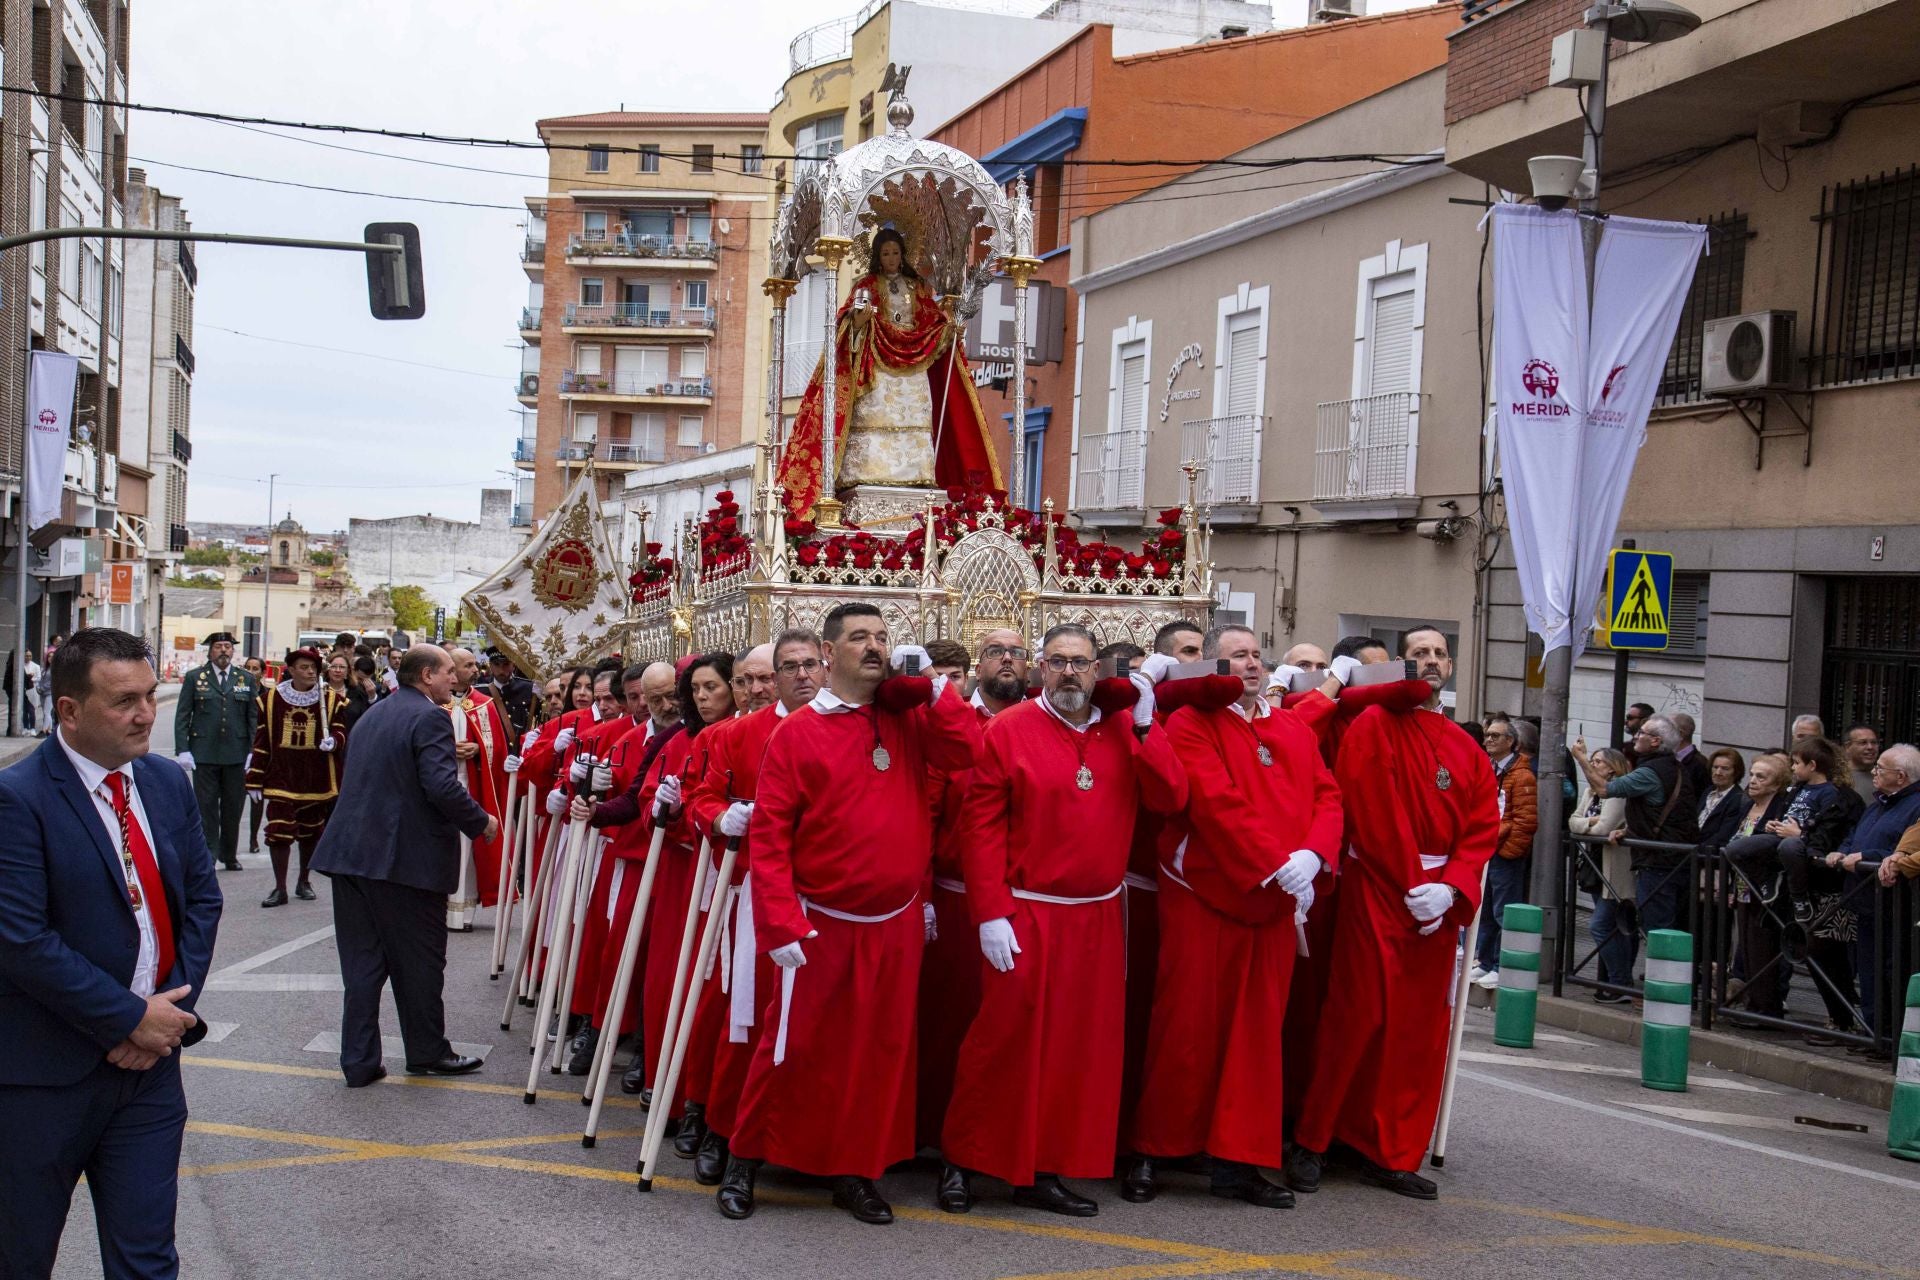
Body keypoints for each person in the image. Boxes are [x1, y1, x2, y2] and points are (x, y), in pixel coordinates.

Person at [719, 603, 980, 1225]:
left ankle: (854, 1170)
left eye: (883, 638)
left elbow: (971, 751)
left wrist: (936, 691)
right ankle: (744, 1159)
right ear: (829, 654)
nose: (875, 647)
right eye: (860, 637)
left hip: (892, 920)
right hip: (819, 921)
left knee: (877, 1055)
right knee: (792, 1049)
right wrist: (781, 920)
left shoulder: (911, 720)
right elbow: (773, 835)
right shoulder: (797, 732)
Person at [0, 628, 223, 1279]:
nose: (146, 714)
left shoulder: (163, 782)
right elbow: (19, 937)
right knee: (20, 1255)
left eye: (151, 696)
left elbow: (201, 903)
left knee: (148, 1261)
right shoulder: (18, 799)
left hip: (149, 1073)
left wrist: (167, 1018)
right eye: (125, 701)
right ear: (69, 710)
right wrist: (126, 1018)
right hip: (44, 1077)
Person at [940, 624, 1185, 1217]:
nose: (1069, 673)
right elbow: (981, 826)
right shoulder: (1008, 729)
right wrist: (991, 912)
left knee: (1075, 1051)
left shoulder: (1125, 728)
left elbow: (1171, 799)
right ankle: (964, 1160)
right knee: (1002, 1041)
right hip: (1025, 910)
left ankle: (1042, 1169)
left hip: (1096, 916)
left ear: (1098, 670)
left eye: (1080, 663)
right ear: (1038, 670)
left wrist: (1150, 728)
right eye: (1056, 662)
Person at [1122, 623, 1336, 1209]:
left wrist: (1313, 854)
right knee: (1185, 1026)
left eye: (1255, 656)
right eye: (1235, 657)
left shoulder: (1288, 724)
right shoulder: (1191, 723)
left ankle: (1238, 1161)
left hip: (1274, 896)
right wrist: (1274, 862)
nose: (1249, 665)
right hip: (1207, 891)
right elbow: (1216, 802)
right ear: (1211, 669)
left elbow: (1327, 794)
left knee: (1256, 1037)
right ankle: (1154, 1147)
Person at [1290, 625, 1497, 1202]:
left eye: (1438, 654)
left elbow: (1483, 825)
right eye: (1417, 654)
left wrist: (1452, 887)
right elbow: (1374, 810)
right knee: (1357, 1016)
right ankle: (1315, 1138)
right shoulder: (1374, 725)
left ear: (1450, 667)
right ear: (1398, 668)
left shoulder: (1466, 745)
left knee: (1416, 1031)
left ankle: (1392, 1148)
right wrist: (1414, 883)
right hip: (1382, 889)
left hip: (1438, 902)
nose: (1430, 662)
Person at [310, 644, 498, 1087]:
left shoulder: (376, 712)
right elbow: (440, 785)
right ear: (427, 674)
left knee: (362, 966)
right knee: (421, 962)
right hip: (403, 862)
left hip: (352, 857)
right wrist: (481, 821)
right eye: (449, 671)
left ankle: (359, 1061)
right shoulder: (430, 716)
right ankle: (428, 1051)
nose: (455, 679)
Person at [684, 638, 818, 1184]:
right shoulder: (734, 735)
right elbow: (704, 799)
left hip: (823, 903)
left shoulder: (843, 724)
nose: (761, 688)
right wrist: (722, 819)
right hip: (752, 898)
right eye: (751, 680)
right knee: (744, 1023)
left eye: (771, 676)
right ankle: (721, 1124)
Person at [774, 227, 1002, 521]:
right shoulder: (865, 285)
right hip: (878, 365)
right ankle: (869, 474)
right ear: (877, 257)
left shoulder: (917, 287)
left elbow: (931, 320)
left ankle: (917, 475)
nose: (892, 258)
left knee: (916, 414)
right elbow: (846, 325)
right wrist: (859, 321)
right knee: (876, 413)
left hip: (915, 365)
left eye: (896, 252)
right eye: (886, 253)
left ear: (903, 255)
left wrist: (947, 330)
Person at [920, 628, 1026, 1155]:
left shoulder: (1043, 722)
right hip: (958, 895)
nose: (1006, 660)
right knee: (952, 1019)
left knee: (1012, 1030)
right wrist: (923, 896)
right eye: (994, 652)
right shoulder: (954, 724)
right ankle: (938, 1135)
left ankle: (1000, 1136)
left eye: (1016, 652)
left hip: (1028, 901)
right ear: (976, 666)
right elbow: (928, 814)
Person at [1572, 714, 1699, 941]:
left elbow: (1604, 789)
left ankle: (1662, 976)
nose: (1636, 737)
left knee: (1658, 929)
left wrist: (1581, 758)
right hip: (1672, 857)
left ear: (1656, 741)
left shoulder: (1651, 772)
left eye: (1642, 733)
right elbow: (1660, 812)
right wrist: (1630, 831)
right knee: (1662, 925)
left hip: (1659, 860)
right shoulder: (1674, 767)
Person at [1827, 743, 1920, 1042]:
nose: (1874, 772)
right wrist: (1842, 853)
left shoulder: (1915, 806)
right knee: (1869, 971)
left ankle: (1891, 1038)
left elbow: (1902, 850)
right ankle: (1873, 1032)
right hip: (1866, 899)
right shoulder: (1878, 802)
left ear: (1902, 776)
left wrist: (1868, 855)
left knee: (1893, 970)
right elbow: (1855, 835)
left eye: (1881, 768)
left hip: (1897, 903)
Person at [245, 649, 350, 908]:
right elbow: (261, 742)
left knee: (311, 833)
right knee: (279, 831)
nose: (310, 672)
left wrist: (334, 741)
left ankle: (304, 880)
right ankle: (279, 887)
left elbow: (340, 730)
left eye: (313, 667)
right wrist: (255, 778)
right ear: (291, 670)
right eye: (304, 667)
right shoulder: (271, 700)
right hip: (281, 777)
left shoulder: (330, 699)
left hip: (315, 778)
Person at [172, 631, 261, 873]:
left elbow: (253, 717)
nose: (223, 650)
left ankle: (229, 854)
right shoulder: (195, 677)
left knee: (233, 806)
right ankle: (209, 853)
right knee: (206, 807)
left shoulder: (245, 679)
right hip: (204, 753)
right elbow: (183, 715)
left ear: (233, 651)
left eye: (227, 647)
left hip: (236, 753)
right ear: (210, 651)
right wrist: (183, 750)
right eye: (219, 646)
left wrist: (254, 750)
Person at [444, 647, 513, 930]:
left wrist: (478, 748)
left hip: (472, 787)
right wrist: (448, 749)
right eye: (469, 665)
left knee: (467, 848)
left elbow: (499, 747)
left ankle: (463, 912)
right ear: (453, 669)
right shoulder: (435, 702)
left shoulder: (484, 703)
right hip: (443, 787)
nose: (476, 670)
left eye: (475, 664)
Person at [1472, 715, 1538, 991]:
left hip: (1503, 852)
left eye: (1495, 736)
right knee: (1485, 908)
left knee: (1503, 910)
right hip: (1489, 848)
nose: (1488, 739)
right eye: (1488, 735)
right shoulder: (1490, 768)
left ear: (1510, 742)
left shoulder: (1521, 775)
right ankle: (1484, 960)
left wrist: (1508, 849)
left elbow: (1526, 820)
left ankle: (1500, 965)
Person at [1571, 747, 1636, 999]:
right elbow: (1573, 821)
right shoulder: (1590, 791)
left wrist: (1592, 825)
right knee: (1612, 926)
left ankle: (1620, 983)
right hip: (1593, 865)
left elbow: (1605, 828)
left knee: (1602, 925)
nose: (1593, 765)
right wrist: (1590, 822)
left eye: (1598, 762)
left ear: (1612, 767)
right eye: (1593, 760)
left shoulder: (1618, 792)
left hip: (1615, 868)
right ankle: (1614, 981)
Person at [480, 649, 537, 744]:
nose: (501, 670)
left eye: (506, 664)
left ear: (513, 665)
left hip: (520, 749)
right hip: (493, 749)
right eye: (496, 664)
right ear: (490, 665)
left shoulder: (528, 688)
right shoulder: (481, 691)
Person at [1670, 712, 1711, 807]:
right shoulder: (1667, 758)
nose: (1663, 733)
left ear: (1680, 734)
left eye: (1668, 729)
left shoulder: (1700, 764)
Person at [1843, 725, 1881, 805]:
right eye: (1863, 743)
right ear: (1847, 747)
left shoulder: (1886, 775)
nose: (1870, 747)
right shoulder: (1838, 776)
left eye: (1874, 742)